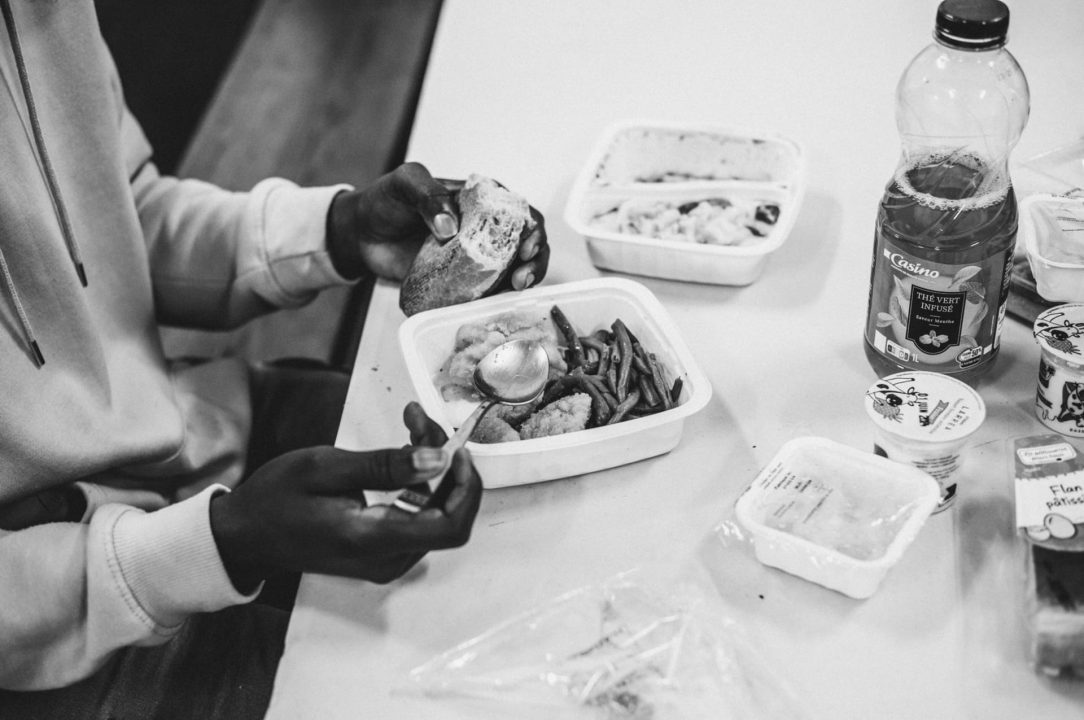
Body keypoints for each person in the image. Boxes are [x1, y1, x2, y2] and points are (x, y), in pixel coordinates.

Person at [0, 0, 549, 717]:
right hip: (54, 637)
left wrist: (339, 232)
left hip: (191, 439)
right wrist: (220, 545)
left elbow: (113, 214)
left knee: (525, 533)